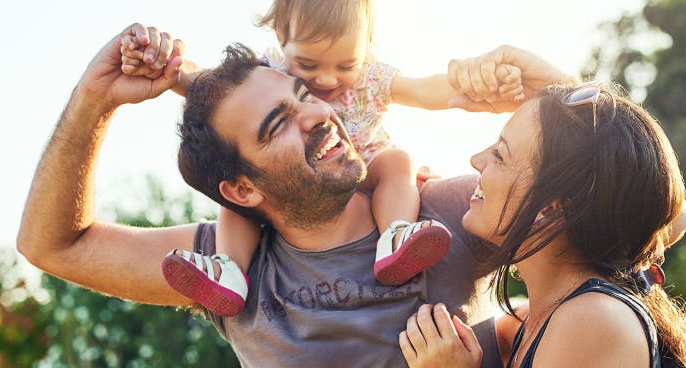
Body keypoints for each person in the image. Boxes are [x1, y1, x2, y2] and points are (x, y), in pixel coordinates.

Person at [17, 23, 686, 368]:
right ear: (241, 189)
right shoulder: (227, 269)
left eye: (303, 94)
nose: (318, 114)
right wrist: (95, 98)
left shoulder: (451, 214)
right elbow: (54, 245)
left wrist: (560, 89)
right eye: (279, 124)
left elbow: (647, 209)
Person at [117, 0, 525, 317]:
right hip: (296, 182)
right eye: (308, 65)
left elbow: (423, 90)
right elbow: (204, 83)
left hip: (364, 166)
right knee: (240, 200)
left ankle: (396, 235)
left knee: (397, 161)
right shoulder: (269, 72)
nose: (327, 80)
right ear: (281, 36)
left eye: (346, 64)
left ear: (367, 45)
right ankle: (229, 271)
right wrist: (161, 63)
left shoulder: (371, 77)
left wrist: (474, 88)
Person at [398, 82, 686, 368]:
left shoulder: (592, 324)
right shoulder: (543, 320)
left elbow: (671, 213)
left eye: (500, 155)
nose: (476, 160)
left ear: (550, 209)